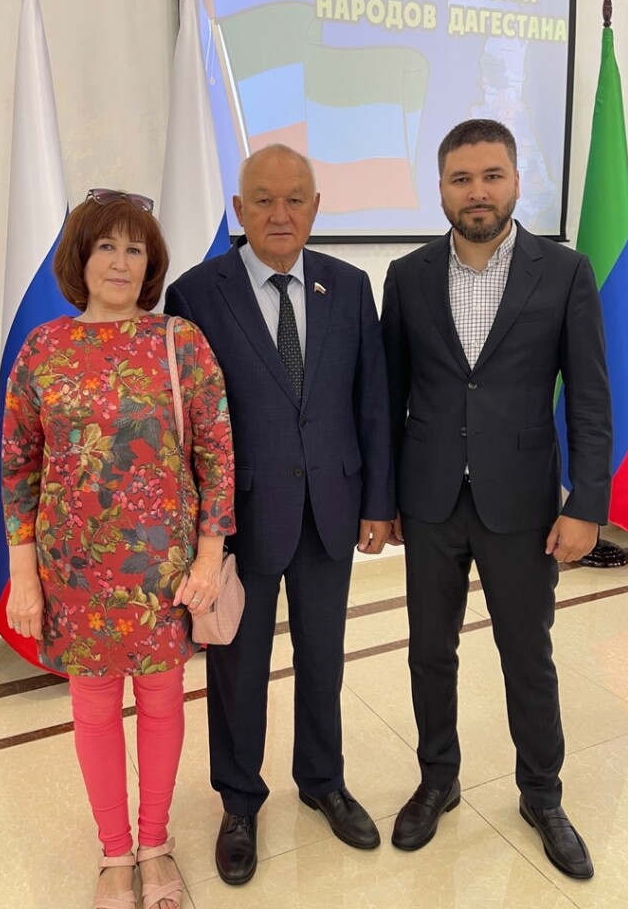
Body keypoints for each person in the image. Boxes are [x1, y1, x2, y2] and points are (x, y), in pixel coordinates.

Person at [381, 119, 612, 880]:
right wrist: (383, 498)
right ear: (441, 189)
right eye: (461, 179)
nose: (476, 192)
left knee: (527, 654)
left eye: (491, 176)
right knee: (428, 651)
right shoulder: (408, 276)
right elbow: (388, 396)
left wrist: (587, 504)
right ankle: (437, 780)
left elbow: (590, 395)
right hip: (430, 498)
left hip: (524, 501)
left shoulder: (565, 272)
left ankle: (542, 795)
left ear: (516, 181)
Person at [164, 144, 395, 885]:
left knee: (325, 658)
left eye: (296, 198)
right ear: (239, 210)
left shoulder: (349, 286)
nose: (280, 213)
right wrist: (198, 532)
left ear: (316, 208)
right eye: (262, 199)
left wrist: (378, 503)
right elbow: (185, 424)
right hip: (239, 521)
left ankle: (323, 781)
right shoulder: (196, 294)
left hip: (332, 509)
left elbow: (371, 400)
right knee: (238, 669)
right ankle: (239, 801)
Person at [2, 188, 235, 909]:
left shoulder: (180, 342)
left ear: (151, 265)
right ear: (80, 257)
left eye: (136, 249)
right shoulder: (43, 349)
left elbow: (217, 455)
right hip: (72, 571)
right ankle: (114, 854)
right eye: (106, 245)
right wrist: (24, 579)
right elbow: (18, 469)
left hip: (163, 570)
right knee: (95, 708)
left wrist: (208, 558)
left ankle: (155, 846)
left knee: (163, 702)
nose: (120, 261)